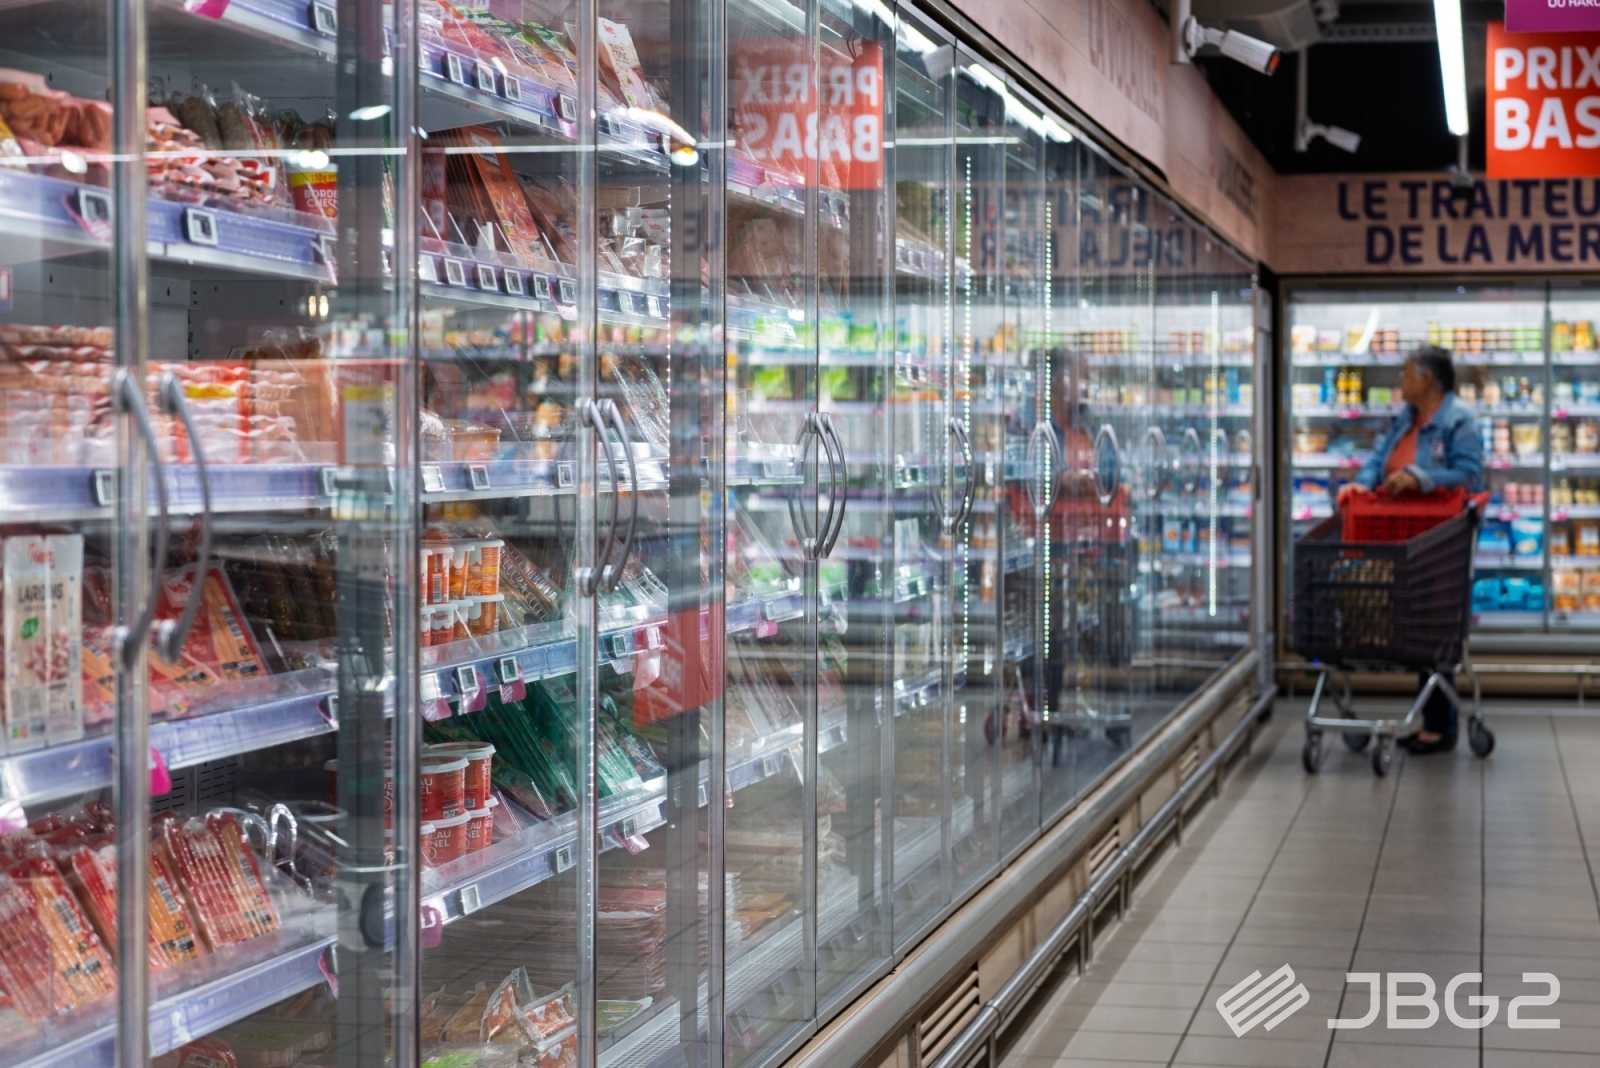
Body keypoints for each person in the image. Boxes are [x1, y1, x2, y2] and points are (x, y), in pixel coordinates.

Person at [1342, 345, 1482, 754]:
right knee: (1412, 624)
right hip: (1394, 535)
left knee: (1432, 624)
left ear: (1427, 379)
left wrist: (1422, 478)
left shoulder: (1460, 421)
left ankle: (1440, 725)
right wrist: (1361, 484)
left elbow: (1469, 476)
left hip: (1439, 540)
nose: (1399, 381)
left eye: (1405, 373)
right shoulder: (1404, 418)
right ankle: (1431, 719)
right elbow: (1377, 460)